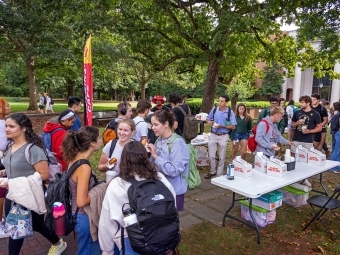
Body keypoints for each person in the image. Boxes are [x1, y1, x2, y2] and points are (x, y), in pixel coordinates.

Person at [1, 113, 66, 255]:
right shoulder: (10, 145)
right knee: (19, 227)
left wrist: (12, 182)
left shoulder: (33, 150)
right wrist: (4, 172)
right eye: (6, 126)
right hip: (12, 194)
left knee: (26, 228)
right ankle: (58, 243)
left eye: (11, 126)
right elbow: (14, 166)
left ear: (24, 128)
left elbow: (44, 174)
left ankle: (58, 243)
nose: (7, 129)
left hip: (29, 194)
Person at [98, 141, 176, 255]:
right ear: (145, 157)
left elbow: (106, 223)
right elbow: (172, 205)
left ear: (123, 160)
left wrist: (107, 250)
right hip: (162, 235)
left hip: (133, 240)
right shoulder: (160, 178)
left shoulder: (117, 184)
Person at [62, 126, 102, 254]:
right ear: (92, 143)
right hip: (83, 216)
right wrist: (101, 189)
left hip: (76, 215)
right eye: (99, 137)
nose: (101, 140)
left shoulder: (75, 158)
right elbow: (81, 201)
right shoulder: (84, 166)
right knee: (88, 251)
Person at [147, 110, 189, 211]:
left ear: (166, 124)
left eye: (156, 124)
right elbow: (153, 164)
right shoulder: (159, 140)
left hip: (174, 191)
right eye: (152, 125)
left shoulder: (178, 143)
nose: (153, 128)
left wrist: (156, 156)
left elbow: (174, 170)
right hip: (161, 188)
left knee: (172, 221)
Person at [204, 94, 236, 179]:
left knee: (221, 157)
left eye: (222, 101)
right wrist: (210, 122)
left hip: (223, 135)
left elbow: (233, 126)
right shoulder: (214, 110)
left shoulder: (230, 112)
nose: (220, 102)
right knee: (211, 155)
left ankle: (219, 174)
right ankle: (212, 171)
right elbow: (208, 119)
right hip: (213, 134)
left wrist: (222, 126)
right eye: (219, 100)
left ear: (226, 102)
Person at [0, 98, 10, 221]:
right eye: (7, 106)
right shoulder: (3, 124)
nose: (9, 108)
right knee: (1, 194)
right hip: (1, 162)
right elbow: (3, 145)